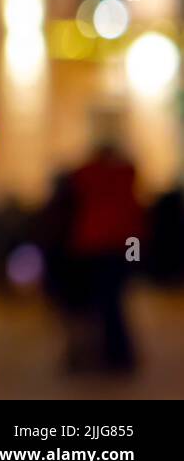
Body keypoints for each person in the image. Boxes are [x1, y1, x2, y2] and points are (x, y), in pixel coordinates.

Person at [61, 135, 144, 372]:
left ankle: (106, 353)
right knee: (114, 300)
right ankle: (115, 352)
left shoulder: (88, 177)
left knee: (99, 301)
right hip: (119, 245)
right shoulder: (124, 176)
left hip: (93, 246)